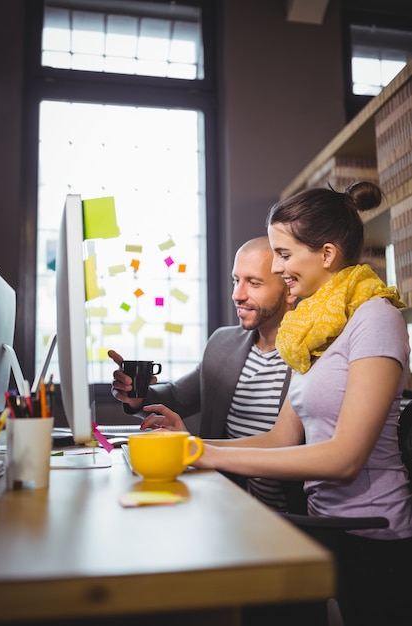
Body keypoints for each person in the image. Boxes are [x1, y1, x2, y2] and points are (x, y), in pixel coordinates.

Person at [140, 182, 412, 626]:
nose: (278, 264)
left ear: (325, 255)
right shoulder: (312, 329)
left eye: (284, 254)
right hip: (325, 528)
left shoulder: (376, 319)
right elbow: (281, 438)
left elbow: (345, 459)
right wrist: (187, 445)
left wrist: (204, 453)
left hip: (373, 535)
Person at [109, 236, 299, 512]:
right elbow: (177, 397)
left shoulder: (312, 356)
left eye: (253, 283)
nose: (238, 294)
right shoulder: (223, 343)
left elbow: (290, 447)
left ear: (289, 290)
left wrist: (193, 446)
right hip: (222, 501)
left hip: (286, 516)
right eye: (236, 280)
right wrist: (135, 396)